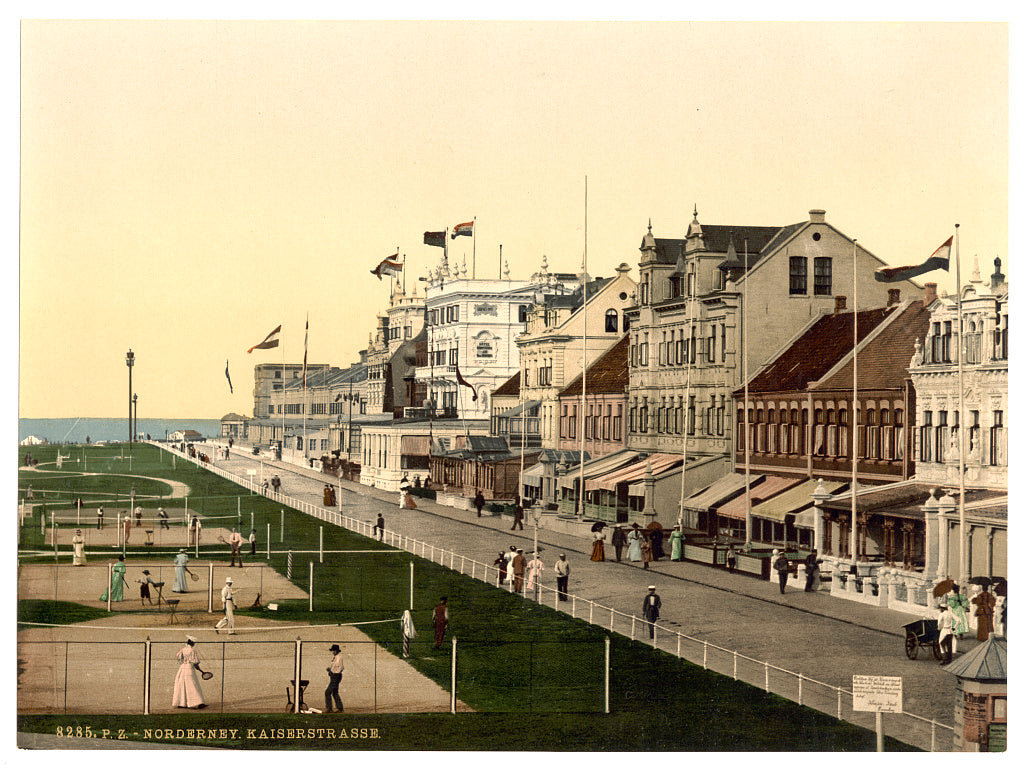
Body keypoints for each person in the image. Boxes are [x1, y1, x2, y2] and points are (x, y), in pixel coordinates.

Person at [172, 636, 206, 709]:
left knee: (182, 685)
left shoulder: (183, 649)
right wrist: (198, 667)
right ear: (193, 643)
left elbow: (178, 656)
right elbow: (195, 662)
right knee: (193, 685)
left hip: (182, 668)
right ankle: (199, 703)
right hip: (189, 668)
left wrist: (183, 662)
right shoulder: (192, 650)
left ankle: (182, 703)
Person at [324, 644, 345, 712]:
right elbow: (334, 667)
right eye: (333, 650)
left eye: (334, 650)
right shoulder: (334, 657)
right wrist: (330, 670)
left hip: (336, 675)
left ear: (337, 651)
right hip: (334, 675)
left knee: (328, 692)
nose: (333, 652)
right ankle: (340, 707)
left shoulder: (338, 658)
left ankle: (329, 708)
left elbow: (340, 668)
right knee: (334, 692)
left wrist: (333, 672)